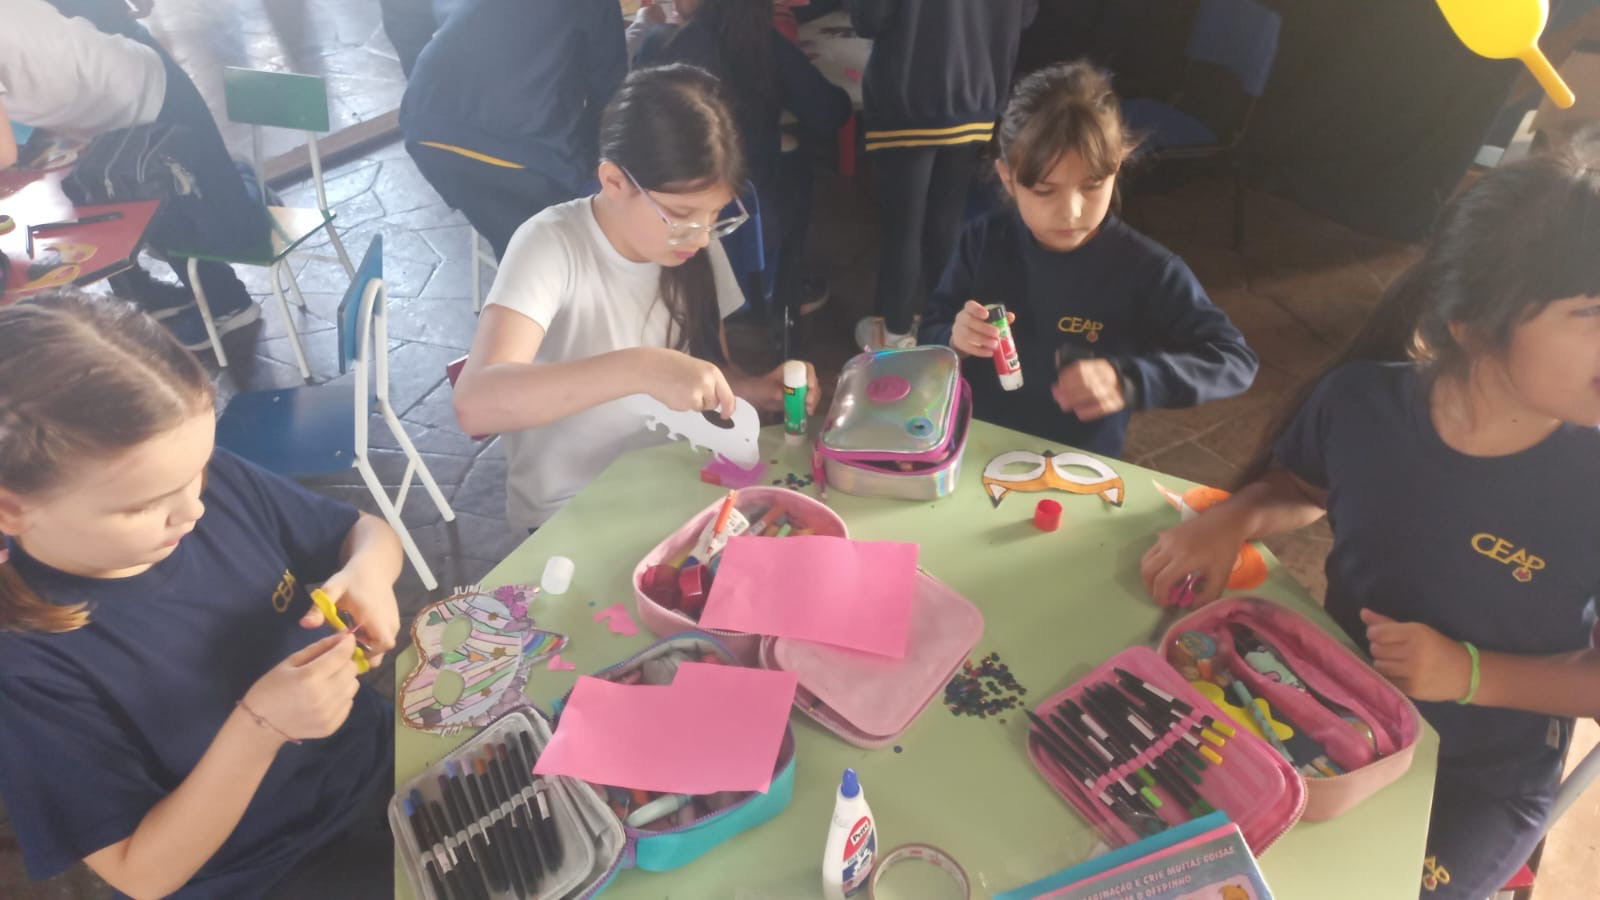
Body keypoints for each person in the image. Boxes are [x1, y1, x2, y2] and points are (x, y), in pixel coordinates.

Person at [1140, 129, 1600, 900]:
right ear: (1475, 326)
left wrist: (1470, 673)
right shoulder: (1361, 404)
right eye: (1592, 311)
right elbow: (1303, 486)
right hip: (1318, 704)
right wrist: (1234, 518)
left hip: (1472, 777)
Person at [0, 289, 403, 899]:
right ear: (12, 509)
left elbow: (364, 532)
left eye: (200, 470)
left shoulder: (201, 487)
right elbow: (140, 872)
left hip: (377, 762)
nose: (193, 511)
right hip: (270, 870)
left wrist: (368, 571)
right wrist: (260, 726)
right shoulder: (24, 665)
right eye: (143, 507)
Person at [453, 64, 821, 531]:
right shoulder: (551, 245)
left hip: (675, 485)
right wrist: (641, 368)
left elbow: (706, 369)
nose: (702, 236)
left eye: (715, 216)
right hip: (572, 509)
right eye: (682, 213)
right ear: (614, 182)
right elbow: (476, 404)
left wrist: (749, 389)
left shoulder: (694, 247)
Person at [919, 62, 1257, 457]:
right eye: (1045, 191)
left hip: (1079, 462)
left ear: (1117, 167)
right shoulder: (981, 240)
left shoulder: (1146, 268)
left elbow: (1234, 360)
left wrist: (1128, 380)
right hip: (977, 441)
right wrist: (953, 339)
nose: (1071, 212)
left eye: (1092, 185)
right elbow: (932, 328)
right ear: (1008, 178)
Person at [8, 0, 272, 349]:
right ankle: (141, 292)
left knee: (170, 195)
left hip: (133, 84)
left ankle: (227, 302)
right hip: (86, 92)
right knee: (93, 187)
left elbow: (5, 153)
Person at [635, 0, 851, 320]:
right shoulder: (765, 46)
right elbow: (831, 112)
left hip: (669, 226)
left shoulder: (660, 43)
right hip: (748, 221)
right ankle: (784, 290)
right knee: (796, 163)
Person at [847, 0, 1038, 351]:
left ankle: (895, 334)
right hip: (977, 92)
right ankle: (943, 333)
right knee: (946, 224)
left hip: (907, 98)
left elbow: (870, 18)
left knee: (903, 231)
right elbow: (1024, 15)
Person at [400, 0, 628, 260]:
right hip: (522, 154)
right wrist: (593, 162)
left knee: (521, 250)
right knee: (550, 252)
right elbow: (610, 90)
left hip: (426, 131)